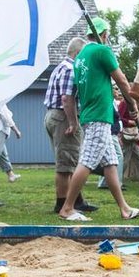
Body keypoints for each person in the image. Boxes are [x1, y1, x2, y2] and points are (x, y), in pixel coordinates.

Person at [56, 17, 139, 221]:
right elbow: (121, 79)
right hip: (99, 115)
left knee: (110, 163)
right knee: (86, 161)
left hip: (90, 113)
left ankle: (124, 208)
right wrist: (132, 104)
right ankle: (67, 208)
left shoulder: (80, 56)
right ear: (104, 35)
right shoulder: (103, 51)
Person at [43, 37, 98, 213]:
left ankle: (77, 200)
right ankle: (61, 204)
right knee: (65, 164)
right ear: (78, 53)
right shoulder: (70, 70)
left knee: (71, 159)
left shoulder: (59, 67)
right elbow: (67, 99)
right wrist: (73, 122)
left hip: (53, 115)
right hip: (63, 117)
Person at [0, 103, 21, 183]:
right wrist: (16, 130)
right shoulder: (0, 102)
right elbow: (6, 117)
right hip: (0, 130)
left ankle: (11, 174)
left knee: (3, 154)